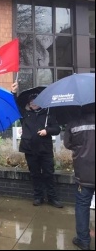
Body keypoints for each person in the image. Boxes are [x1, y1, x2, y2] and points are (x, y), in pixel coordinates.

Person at [11, 82, 63, 208]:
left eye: (35, 101)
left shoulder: (48, 114)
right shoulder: (25, 115)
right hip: (30, 150)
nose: (33, 103)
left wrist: (47, 131)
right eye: (31, 102)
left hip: (45, 150)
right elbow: (16, 105)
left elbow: (57, 129)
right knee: (35, 174)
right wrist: (14, 93)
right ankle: (38, 197)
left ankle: (52, 198)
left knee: (48, 174)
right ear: (28, 104)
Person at [64, 107, 95, 250]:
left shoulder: (74, 122)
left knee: (82, 206)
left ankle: (83, 240)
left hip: (84, 172)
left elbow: (67, 144)